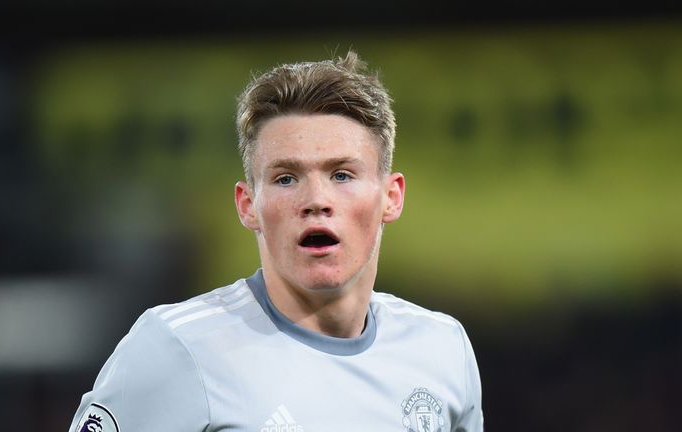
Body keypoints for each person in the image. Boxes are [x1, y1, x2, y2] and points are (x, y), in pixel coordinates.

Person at [69, 50, 483, 432]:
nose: (316, 201)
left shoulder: (442, 349)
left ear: (391, 197)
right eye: (286, 178)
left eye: (342, 175)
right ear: (248, 205)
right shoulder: (179, 348)